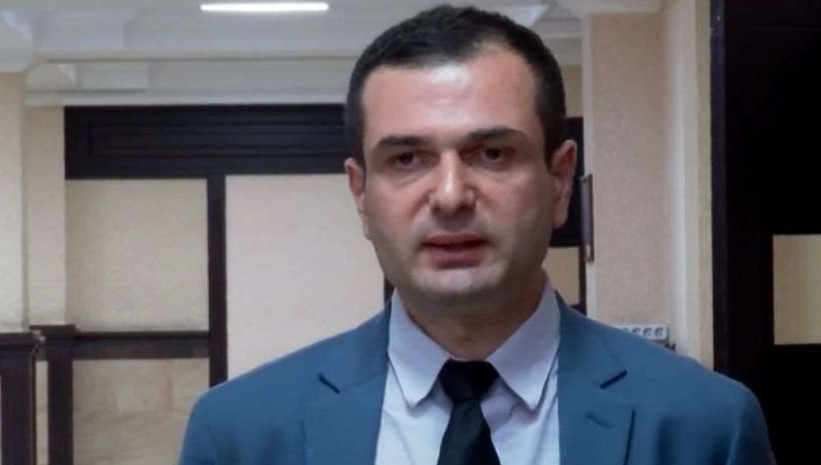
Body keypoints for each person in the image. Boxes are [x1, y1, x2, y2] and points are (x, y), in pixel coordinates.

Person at [178, 5, 775, 465]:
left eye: (491, 153)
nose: (449, 195)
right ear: (361, 193)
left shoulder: (705, 426)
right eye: (407, 159)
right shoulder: (240, 435)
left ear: (559, 179)